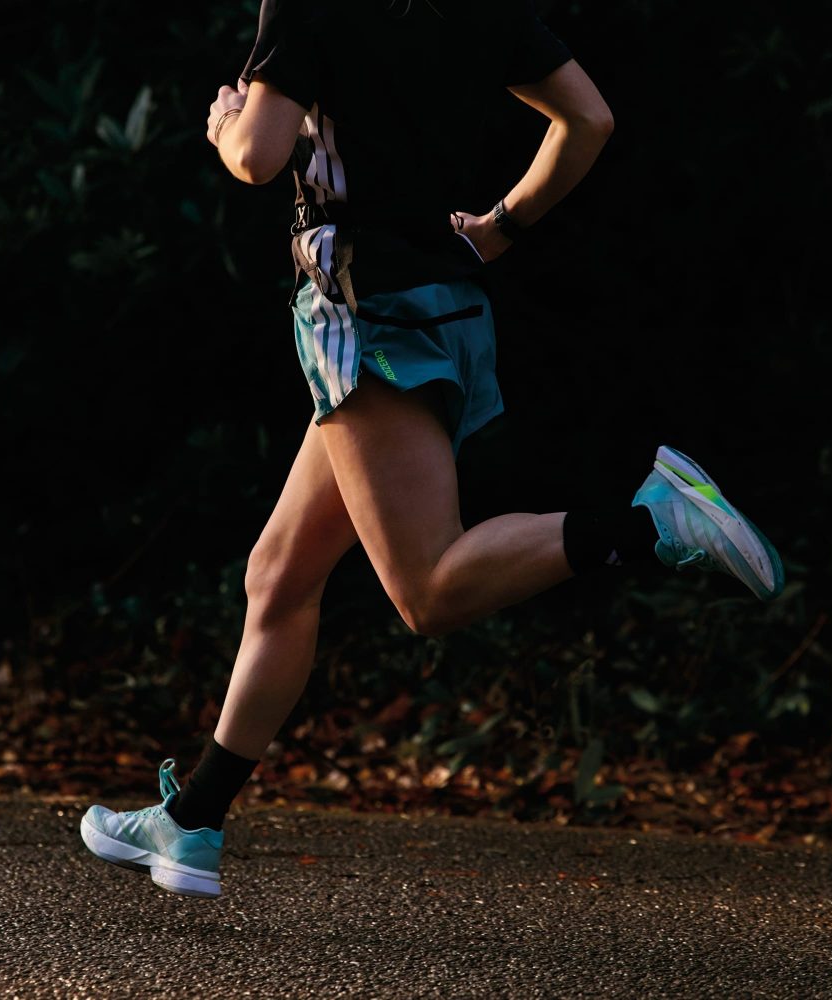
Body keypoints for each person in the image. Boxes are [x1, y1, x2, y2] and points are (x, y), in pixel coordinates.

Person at [80, 0, 785, 899]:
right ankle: (192, 822)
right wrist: (501, 227)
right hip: (443, 306)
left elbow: (257, 157)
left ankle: (652, 525)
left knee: (428, 591)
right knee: (280, 574)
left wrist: (225, 123)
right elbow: (589, 119)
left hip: (365, 316)